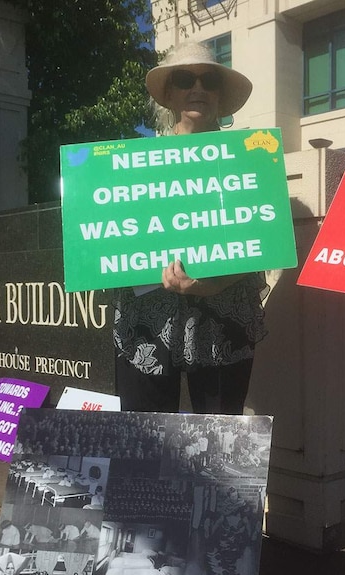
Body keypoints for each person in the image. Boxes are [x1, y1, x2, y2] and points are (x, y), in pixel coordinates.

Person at [114, 41, 267, 415]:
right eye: (185, 79)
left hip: (222, 321)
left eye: (209, 80)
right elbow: (110, 238)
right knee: (145, 442)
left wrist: (206, 284)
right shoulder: (133, 165)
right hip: (146, 322)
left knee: (219, 445)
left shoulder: (250, 159)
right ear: (168, 95)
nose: (197, 88)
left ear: (221, 95)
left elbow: (262, 238)